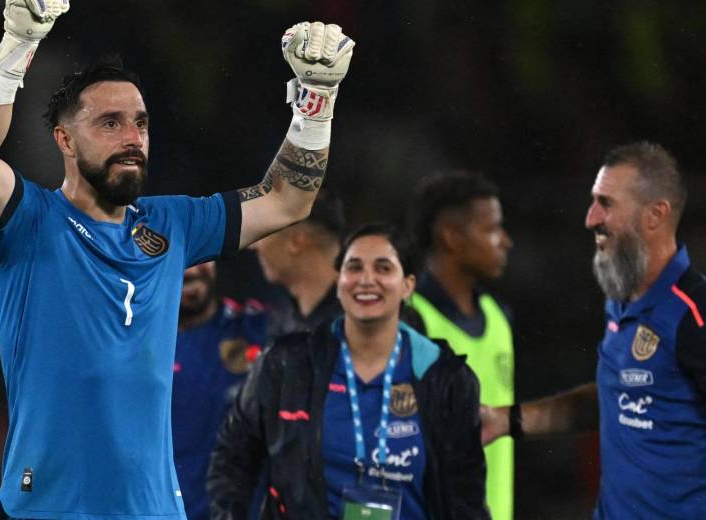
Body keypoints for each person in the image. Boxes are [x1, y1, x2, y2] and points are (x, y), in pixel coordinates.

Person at [0, 0, 354, 520]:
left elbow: (287, 202)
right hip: (44, 507)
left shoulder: (173, 223)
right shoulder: (32, 220)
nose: (132, 137)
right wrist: (15, 46)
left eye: (140, 123)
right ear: (65, 140)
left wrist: (316, 101)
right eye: (109, 123)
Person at [481, 142, 706, 519]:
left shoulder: (693, 316)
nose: (590, 218)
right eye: (592, 201)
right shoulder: (623, 301)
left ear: (655, 215)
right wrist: (506, 420)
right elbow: (621, 396)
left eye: (607, 203)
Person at [207, 224, 489, 520]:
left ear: (408, 285)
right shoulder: (286, 365)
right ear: (339, 282)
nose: (366, 280)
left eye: (383, 268)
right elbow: (232, 459)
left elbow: (465, 496)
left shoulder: (447, 379)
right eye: (353, 268)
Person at [406, 171, 515, 520]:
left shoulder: (500, 317)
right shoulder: (410, 321)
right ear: (450, 236)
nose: (505, 241)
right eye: (492, 229)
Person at [172, 262, 266, 520]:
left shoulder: (258, 327)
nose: (190, 270)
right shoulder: (127, 340)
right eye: (178, 259)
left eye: (199, 255)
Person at [249, 187, 345, 338]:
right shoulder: (280, 323)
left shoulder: (361, 323)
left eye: (262, 234)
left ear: (296, 242)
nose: (253, 246)